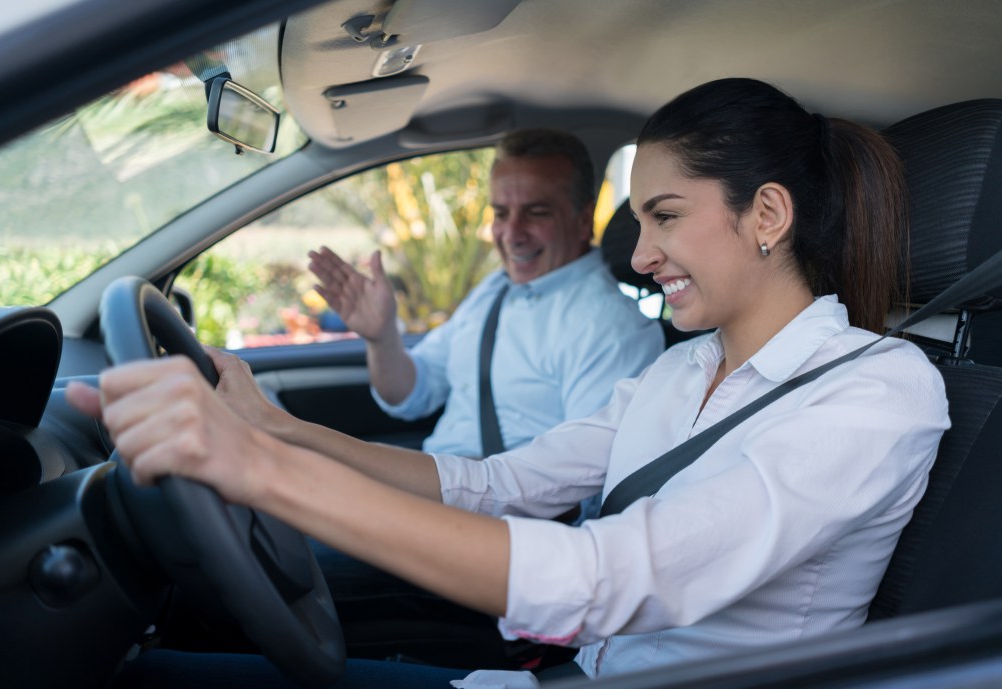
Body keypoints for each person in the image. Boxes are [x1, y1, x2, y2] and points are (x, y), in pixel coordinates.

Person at [68, 77, 950, 689]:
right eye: (637, 220)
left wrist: (256, 470)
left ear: (766, 214)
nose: (638, 258)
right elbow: (497, 484)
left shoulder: (877, 394)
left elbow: (603, 577)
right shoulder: (682, 366)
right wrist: (271, 428)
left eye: (665, 218)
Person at [307, 128, 664, 463]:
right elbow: (411, 396)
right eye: (500, 213)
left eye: (536, 213)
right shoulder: (495, 290)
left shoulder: (612, 328)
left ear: (583, 219)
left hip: (501, 519)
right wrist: (382, 339)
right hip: (439, 489)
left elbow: (581, 476)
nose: (511, 234)